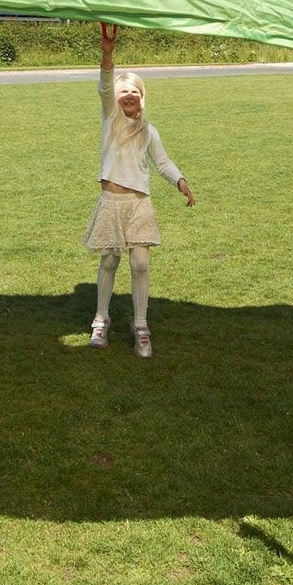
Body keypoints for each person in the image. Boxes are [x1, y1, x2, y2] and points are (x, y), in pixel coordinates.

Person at [84, 25, 195, 357]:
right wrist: (107, 54)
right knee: (108, 260)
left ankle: (141, 325)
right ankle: (101, 320)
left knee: (142, 263)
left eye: (135, 91)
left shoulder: (149, 130)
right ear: (115, 99)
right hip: (112, 202)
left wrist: (180, 181)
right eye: (123, 91)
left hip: (139, 205)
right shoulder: (109, 120)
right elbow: (105, 85)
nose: (128, 95)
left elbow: (162, 162)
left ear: (142, 98)